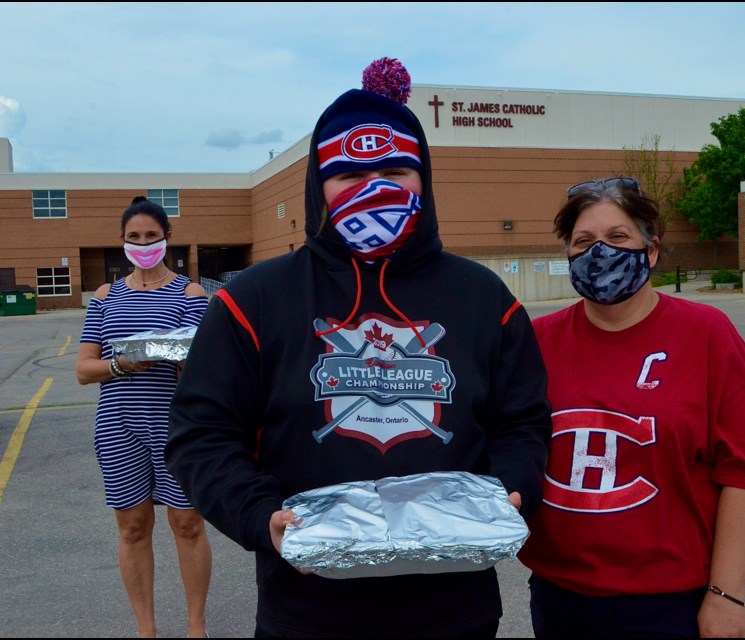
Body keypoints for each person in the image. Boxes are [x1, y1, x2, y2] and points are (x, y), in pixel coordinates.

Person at [164, 57, 551, 638]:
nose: (375, 189)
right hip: (305, 610)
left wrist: (510, 491)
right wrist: (259, 515)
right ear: (319, 188)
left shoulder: (483, 298)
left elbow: (522, 421)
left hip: (455, 610)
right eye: (349, 175)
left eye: (396, 170)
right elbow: (202, 435)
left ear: (424, 178)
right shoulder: (253, 301)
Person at [516, 177, 745, 638]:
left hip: (670, 604)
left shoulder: (706, 334)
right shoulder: (536, 341)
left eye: (617, 237)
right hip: (559, 595)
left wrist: (726, 595)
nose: (599, 252)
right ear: (566, 253)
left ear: (650, 250)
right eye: (583, 241)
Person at [75, 196, 211, 639]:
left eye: (151, 236)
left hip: (177, 426)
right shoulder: (104, 296)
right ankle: (146, 631)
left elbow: (204, 360)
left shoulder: (190, 293)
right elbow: (84, 369)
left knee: (186, 522)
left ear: (167, 238)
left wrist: (181, 359)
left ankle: (195, 628)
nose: (143, 243)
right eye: (134, 236)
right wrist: (123, 364)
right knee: (133, 528)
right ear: (122, 241)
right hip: (119, 425)